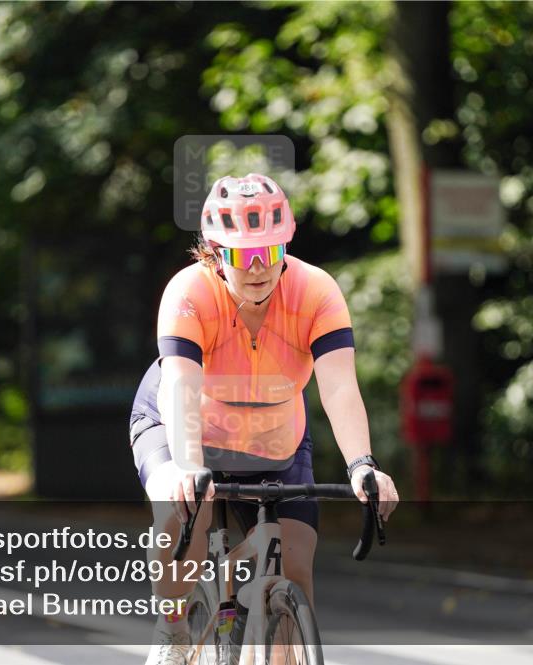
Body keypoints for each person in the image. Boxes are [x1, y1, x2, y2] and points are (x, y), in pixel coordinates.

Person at [129, 173, 399, 665]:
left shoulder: (316, 291)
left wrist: (362, 464)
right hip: (182, 426)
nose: (258, 268)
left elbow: (338, 385)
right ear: (214, 252)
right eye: (242, 254)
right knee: (181, 508)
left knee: (296, 568)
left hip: (276, 442)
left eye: (270, 252)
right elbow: (182, 389)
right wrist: (188, 469)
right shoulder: (189, 293)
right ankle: (172, 631)